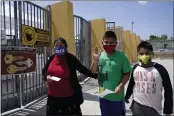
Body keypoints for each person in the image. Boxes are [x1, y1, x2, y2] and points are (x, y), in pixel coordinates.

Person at [42, 37, 98, 116]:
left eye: (61, 45)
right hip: (52, 99)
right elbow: (44, 70)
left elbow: (82, 69)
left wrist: (96, 76)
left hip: (68, 99)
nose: (58, 47)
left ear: (65, 47)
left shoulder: (71, 59)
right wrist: (46, 78)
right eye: (56, 45)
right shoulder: (51, 58)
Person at [125, 41, 173, 116]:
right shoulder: (135, 68)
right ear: (137, 54)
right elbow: (132, 83)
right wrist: (127, 96)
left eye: (147, 53)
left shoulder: (160, 69)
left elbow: (168, 90)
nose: (144, 56)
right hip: (137, 105)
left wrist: (168, 110)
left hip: (154, 109)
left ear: (152, 54)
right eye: (141, 54)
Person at [91, 31, 132, 116]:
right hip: (103, 96)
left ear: (116, 43)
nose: (109, 45)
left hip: (117, 97)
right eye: (106, 42)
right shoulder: (100, 55)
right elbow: (93, 71)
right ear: (102, 42)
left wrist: (121, 85)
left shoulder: (122, 56)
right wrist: (95, 60)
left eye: (111, 43)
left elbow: (127, 73)